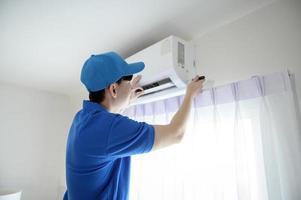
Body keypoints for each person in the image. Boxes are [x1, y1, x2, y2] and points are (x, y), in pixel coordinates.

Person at [64, 52, 205, 200]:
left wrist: (126, 99)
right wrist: (190, 94)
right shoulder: (110, 129)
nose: (131, 84)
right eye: (128, 79)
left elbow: (106, 127)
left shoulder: (82, 118)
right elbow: (176, 134)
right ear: (113, 89)